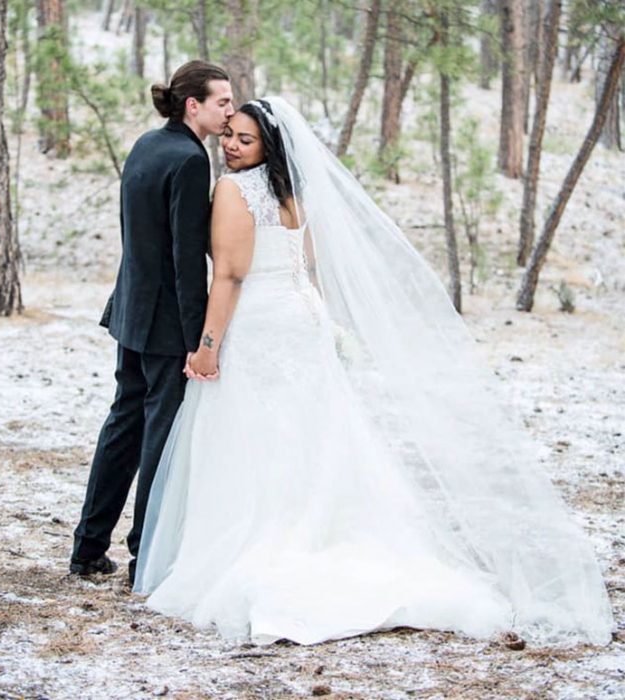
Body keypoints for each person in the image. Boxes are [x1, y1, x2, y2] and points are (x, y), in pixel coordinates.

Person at [133, 97, 613, 646]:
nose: (231, 145)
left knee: (255, 435)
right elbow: (304, 263)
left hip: (263, 326)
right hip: (301, 319)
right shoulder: (294, 192)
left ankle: (269, 542)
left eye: (245, 139)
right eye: (230, 135)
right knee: (308, 431)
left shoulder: (232, 190)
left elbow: (231, 277)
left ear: (269, 146)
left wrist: (209, 347)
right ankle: (321, 527)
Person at [70, 61, 234, 585]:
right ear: (194, 106)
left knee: (123, 426)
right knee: (159, 438)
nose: (229, 110)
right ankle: (148, 555)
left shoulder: (145, 144)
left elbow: (135, 236)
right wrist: (197, 340)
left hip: (133, 309)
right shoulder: (190, 160)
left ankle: (87, 548)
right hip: (165, 323)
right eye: (222, 102)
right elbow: (187, 261)